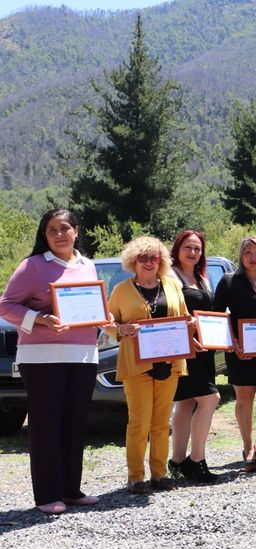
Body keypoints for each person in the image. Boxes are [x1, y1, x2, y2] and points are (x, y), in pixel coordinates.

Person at [0, 208, 107, 514]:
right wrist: (41, 319)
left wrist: (106, 318)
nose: (59, 235)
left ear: (76, 231)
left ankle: (71, 490)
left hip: (83, 355)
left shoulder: (89, 265)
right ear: (44, 235)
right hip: (42, 358)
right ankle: (47, 496)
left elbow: (94, 306)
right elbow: (6, 305)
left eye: (64, 228)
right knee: (46, 426)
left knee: (74, 423)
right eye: (51, 230)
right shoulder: (32, 266)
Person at [107, 236, 189, 494]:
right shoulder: (121, 290)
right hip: (136, 364)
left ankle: (159, 474)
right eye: (143, 258)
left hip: (170, 362)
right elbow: (107, 322)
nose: (149, 262)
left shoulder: (173, 285)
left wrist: (191, 328)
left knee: (162, 422)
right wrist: (121, 328)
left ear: (162, 260)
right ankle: (135, 477)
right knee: (139, 422)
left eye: (154, 257)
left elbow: (184, 317)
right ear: (133, 261)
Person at [214, 236, 256, 473]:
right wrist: (232, 344)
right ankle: (247, 447)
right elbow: (216, 317)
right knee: (245, 398)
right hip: (240, 352)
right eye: (247, 253)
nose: (253, 258)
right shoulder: (229, 281)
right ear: (241, 256)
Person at [167, 230, 220, 484]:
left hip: (205, 349)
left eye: (197, 249)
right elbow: (168, 312)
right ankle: (196, 460)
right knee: (211, 398)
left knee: (187, 402)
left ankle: (176, 461)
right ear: (177, 248)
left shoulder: (201, 276)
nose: (193, 253)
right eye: (188, 247)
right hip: (186, 348)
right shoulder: (170, 275)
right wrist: (188, 339)